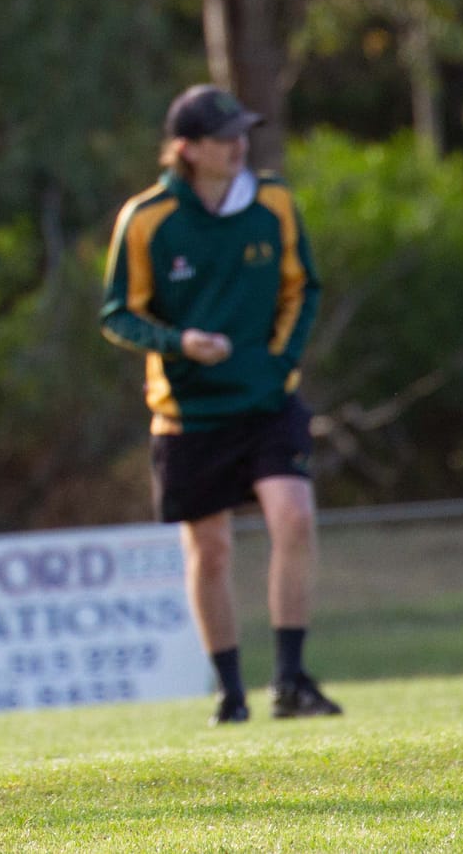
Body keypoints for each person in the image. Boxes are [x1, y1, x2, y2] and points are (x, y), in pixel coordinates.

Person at [99, 84, 341, 726]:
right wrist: (181, 344)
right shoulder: (147, 218)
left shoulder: (275, 203)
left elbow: (304, 288)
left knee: (294, 517)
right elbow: (118, 313)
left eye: (242, 133)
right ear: (186, 149)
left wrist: (279, 364)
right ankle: (231, 693)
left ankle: (290, 680)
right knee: (211, 551)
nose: (239, 145)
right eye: (223, 137)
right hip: (187, 415)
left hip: (268, 404)